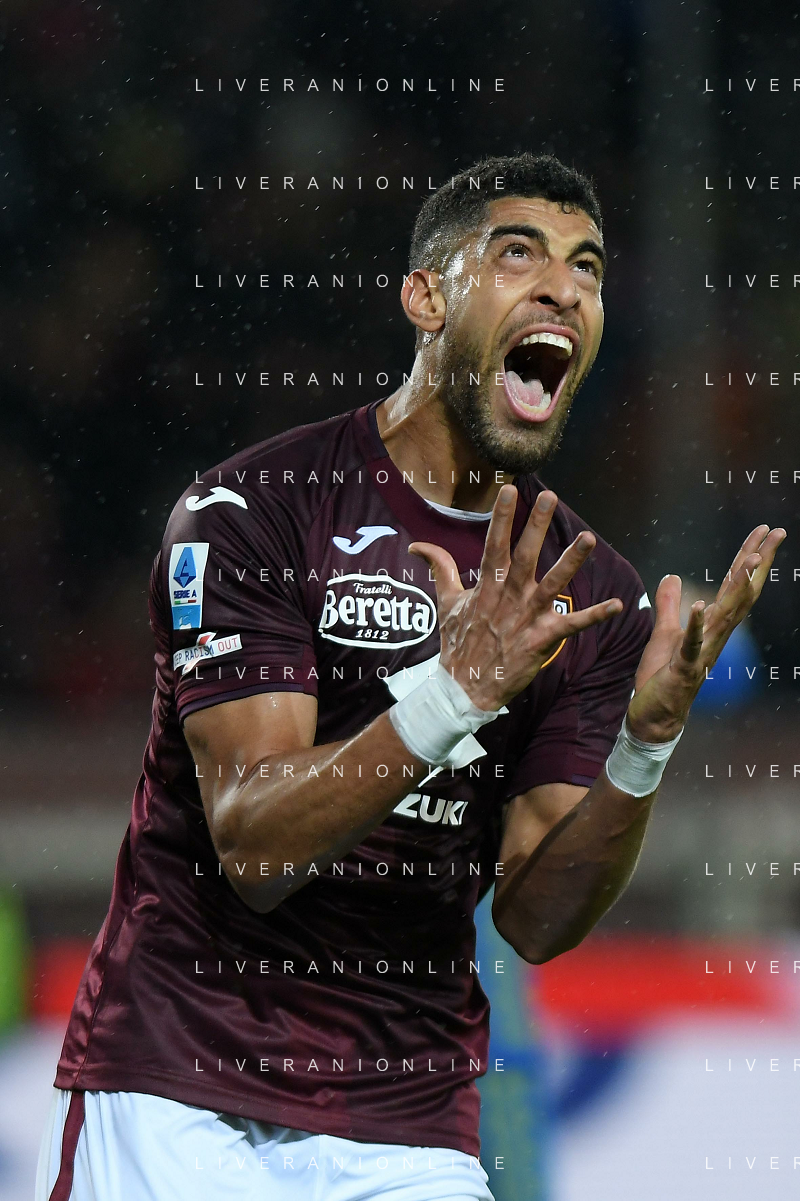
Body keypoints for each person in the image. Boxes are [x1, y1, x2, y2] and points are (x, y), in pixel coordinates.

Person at [36, 153, 784, 1201]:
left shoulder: (588, 594)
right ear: (426, 299)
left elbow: (536, 918)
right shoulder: (254, 513)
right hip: (178, 1093)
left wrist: (644, 745)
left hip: (406, 1126)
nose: (561, 288)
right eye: (517, 254)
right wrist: (455, 693)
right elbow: (253, 843)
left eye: (586, 266)